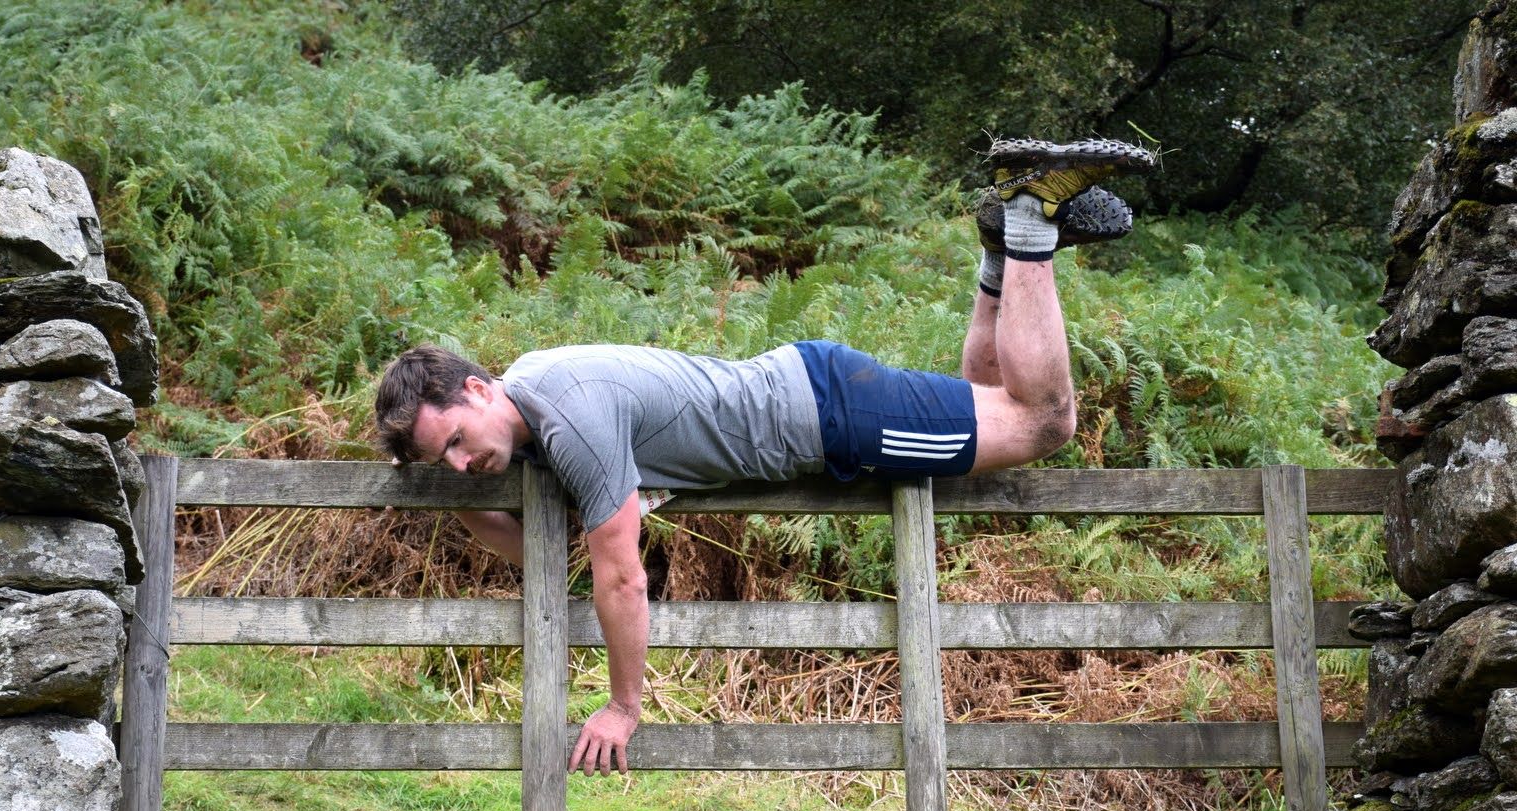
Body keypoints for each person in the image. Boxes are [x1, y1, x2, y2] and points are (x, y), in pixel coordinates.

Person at [374, 138, 1156, 775]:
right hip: (818, 391)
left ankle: (1030, 222)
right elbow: (556, 555)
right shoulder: (540, 382)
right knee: (984, 396)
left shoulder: (569, 420)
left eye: (454, 443)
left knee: (1043, 421)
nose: (459, 462)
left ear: (476, 391)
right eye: (440, 462)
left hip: (833, 417)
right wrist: (473, 504)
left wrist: (623, 705)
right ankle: (1000, 252)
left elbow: (616, 573)